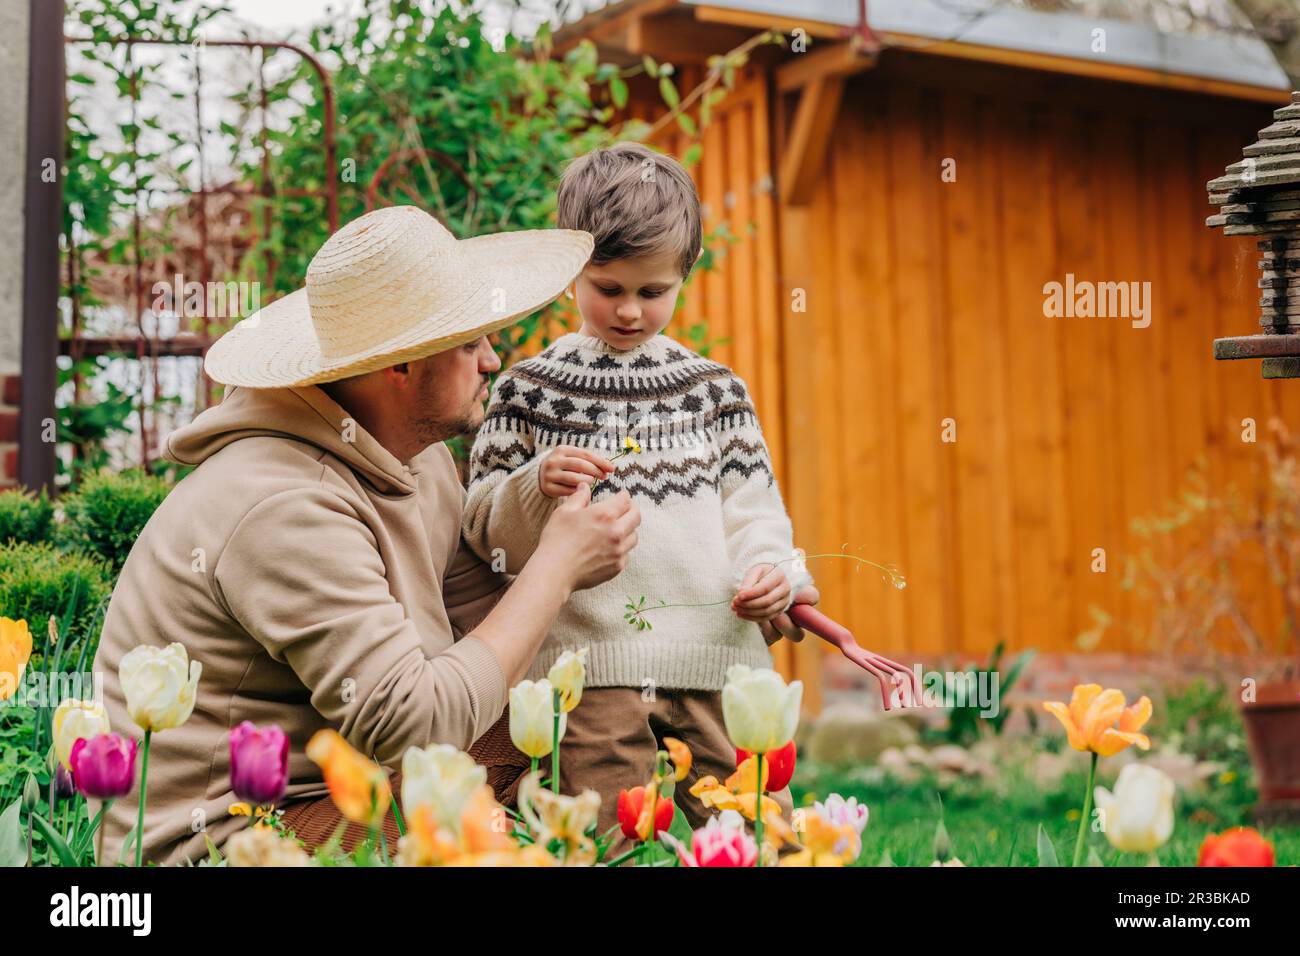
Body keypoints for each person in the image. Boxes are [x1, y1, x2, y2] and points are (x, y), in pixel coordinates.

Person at [88, 204, 641, 865]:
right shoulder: (284, 505)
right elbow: (413, 727)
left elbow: (483, 627)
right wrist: (556, 566)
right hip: (231, 837)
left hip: (348, 786)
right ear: (399, 368)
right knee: (465, 806)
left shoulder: (415, 456)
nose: (493, 360)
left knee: (572, 701)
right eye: (470, 344)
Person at [461, 142, 818, 847]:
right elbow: (481, 527)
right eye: (609, 287)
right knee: (598, 842)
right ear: (572, 274)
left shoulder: (714, 392)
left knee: (753, 841)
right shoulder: (527, 394)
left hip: (719, 665)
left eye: (652, 292)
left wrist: (776, 574)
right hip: (589, 675)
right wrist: (533, 489)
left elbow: (753, 513)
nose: (629, 311)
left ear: (684, 277)